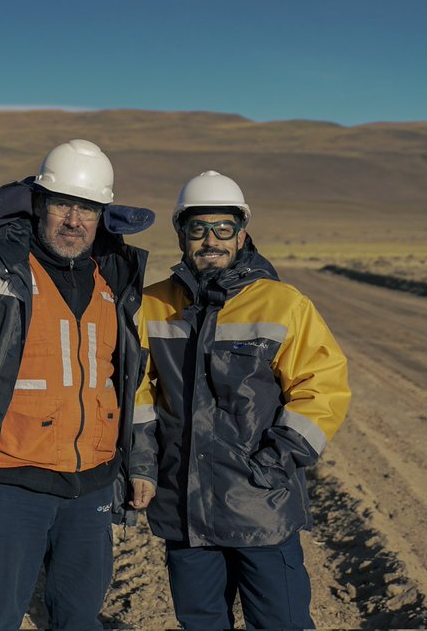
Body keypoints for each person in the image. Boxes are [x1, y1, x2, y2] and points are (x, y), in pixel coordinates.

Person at [0, 139, 157, 630]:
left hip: (92, 489)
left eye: (87, 208)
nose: (73, 219)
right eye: (63, 203)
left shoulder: (116, 285)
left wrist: (141, 462)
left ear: (102, 214)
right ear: (39, 203)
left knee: (80, 619)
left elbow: (131, 384)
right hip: (8, 484)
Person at [134, 170, 351, 629]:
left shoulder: (282, 304)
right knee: (202, 624)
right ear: (181, 233)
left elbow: (323, 388)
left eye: (223, 228)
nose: (210, 239)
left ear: (242, 233)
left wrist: (272, 465)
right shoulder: (152, 305)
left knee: (282, 623)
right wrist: (143, 465)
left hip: (261, 509)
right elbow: (137, 393)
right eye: (198, 228)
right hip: (184, 509)